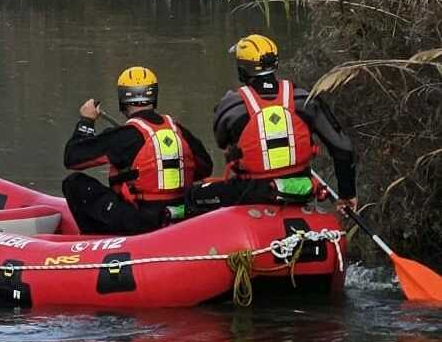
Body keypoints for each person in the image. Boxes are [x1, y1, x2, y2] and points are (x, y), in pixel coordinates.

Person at [186, 34, 357, 213]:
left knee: (192, 195)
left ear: (242, 69)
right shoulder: (304, 99)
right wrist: (347, 194)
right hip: (302, 188)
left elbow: (222, 141)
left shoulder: (232, 105)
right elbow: (343, 149)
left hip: (251, 191)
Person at [63, 66, 214, 235]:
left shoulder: (124, 136)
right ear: (153, 96)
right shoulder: (178, 130)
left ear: (122, 99)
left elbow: (72, 158)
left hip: (140, 221)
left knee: (74, 183)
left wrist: (87, 121)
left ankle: (95, 241)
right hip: (179, 212)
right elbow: (205, 167)